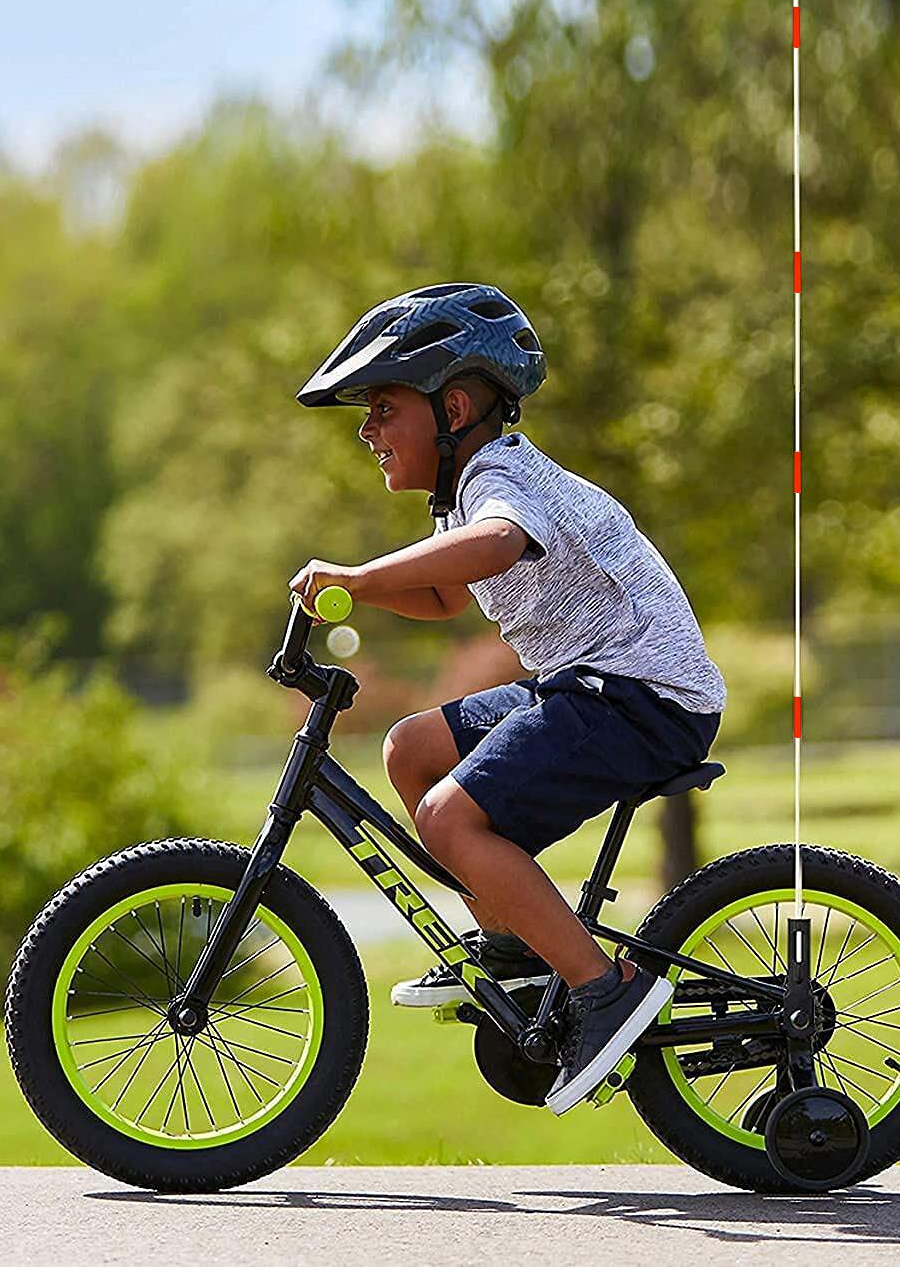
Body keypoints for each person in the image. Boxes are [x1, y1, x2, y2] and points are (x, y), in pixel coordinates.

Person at [290, 282, 726, 1115]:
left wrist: (355, 574)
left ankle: (606, 990)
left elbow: (495, 545)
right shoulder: (463, 490)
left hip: (640, 695)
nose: (365, 430)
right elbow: (448, 595)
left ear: (453, 406)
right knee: (412, 749)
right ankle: (516, 953)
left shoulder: (498, 476)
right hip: (585, 687)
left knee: (451, 818)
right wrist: (361, 592)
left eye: (382, 406)